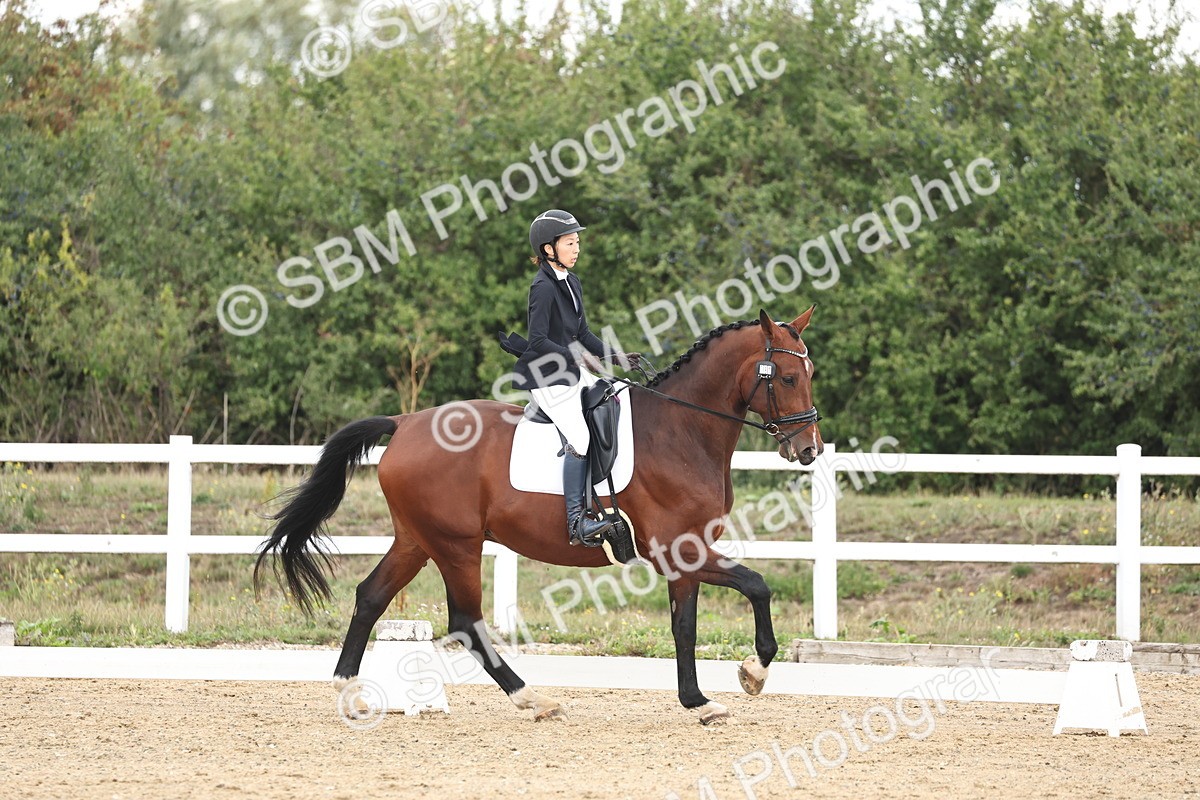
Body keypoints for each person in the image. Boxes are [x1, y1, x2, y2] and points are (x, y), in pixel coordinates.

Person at [511, 210, 640, 546]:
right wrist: (578, 357)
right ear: (548, 249)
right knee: (580, 438)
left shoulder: (572, 281)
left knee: (615, 397)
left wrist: (616, 356)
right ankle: (576, 522)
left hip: (570, 370)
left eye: (577, 242)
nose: (577, 248)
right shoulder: (542, 287)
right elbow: (538, 341)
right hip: (547, 376)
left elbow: (582, 333)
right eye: (570, 243)